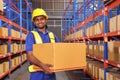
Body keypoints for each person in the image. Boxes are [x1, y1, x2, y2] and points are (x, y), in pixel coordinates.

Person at [26, 8, 60, 80]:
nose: (39, 21)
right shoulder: (31, 35)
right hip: (37, 75)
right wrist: (43, 66)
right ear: (34, 22)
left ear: (45, 20)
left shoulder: (52, 36)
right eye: (37, 20)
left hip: (51, 74)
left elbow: (59, 51)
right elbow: (30, 55)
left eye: (41, 19)